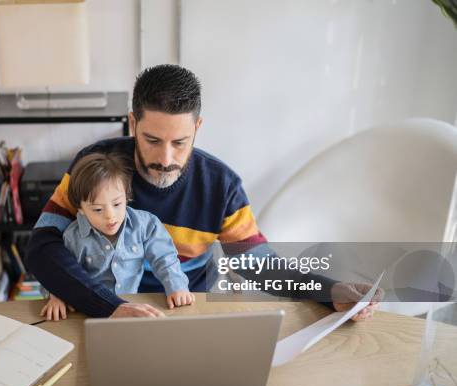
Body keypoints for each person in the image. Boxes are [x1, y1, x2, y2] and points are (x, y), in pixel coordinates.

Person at [26, 64, 382, 320]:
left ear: (198, 128)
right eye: (152, 140)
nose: (166, 159)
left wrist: (328, 290)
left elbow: (259, 264)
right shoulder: (94, 165)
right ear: (132, 123)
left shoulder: (221, 185)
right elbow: (42, 247)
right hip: (105, 304)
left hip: (186, 308)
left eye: (180, 142)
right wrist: (109, 306)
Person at [40, 152, 195, 321]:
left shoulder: (145, 224)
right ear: (81, 210)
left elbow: (164, 258)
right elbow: (62, 272)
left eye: (117, 204)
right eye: (98, 209)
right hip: (90, 312)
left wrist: (176, 286)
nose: (110, 216)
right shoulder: (73, 237)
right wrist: (57, 295)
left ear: (127, 197)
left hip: (132, 308)